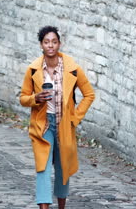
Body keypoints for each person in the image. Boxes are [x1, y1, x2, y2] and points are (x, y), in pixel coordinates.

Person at [19, 26, 95, 209]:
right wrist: (35, 99)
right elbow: (23, 98)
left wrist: (74, 118)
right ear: (41, 45)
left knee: (63, 169)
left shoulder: (73, 69)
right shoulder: (33, 70)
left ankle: (62, 206)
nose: (50, 45)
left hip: (64, 125)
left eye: (54, 42)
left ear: (59, 44)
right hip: (43, 125)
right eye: (46, 42)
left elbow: (89, 95)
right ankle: (44, 207)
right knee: (43, 167)